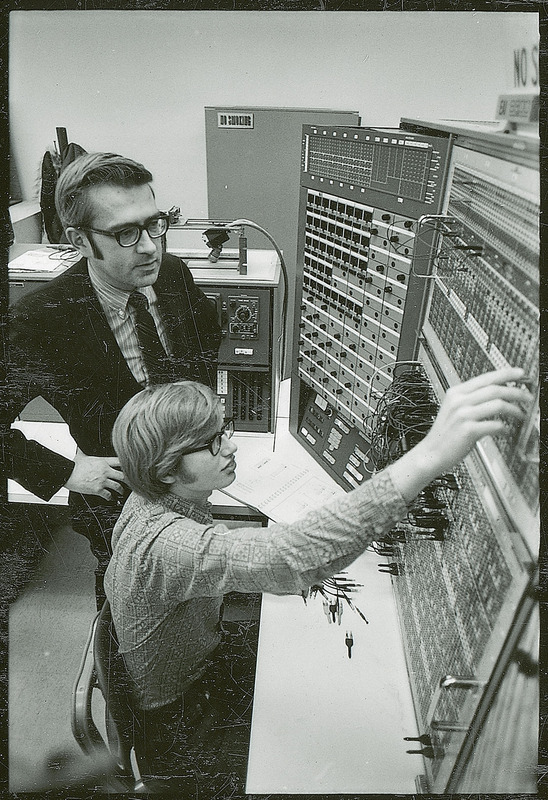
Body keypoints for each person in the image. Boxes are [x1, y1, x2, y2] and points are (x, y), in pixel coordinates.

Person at [104, 367, 529, 793]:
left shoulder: (150, 497)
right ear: (165, 470)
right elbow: (285, 557)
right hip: (183, 723)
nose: (231, 446)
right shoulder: (164, 544)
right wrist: (427, 457)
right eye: (213, 443)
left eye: (224, 429)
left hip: (196, 670)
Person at [7, 153, 221, 605]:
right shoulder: (41, 319)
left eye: (154, 224)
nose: (149, 246)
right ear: (80, 240)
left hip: (192, 488)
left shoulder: (174, 276)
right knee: (133, 615)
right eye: (125, 233)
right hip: (118, 506)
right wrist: (67, 470)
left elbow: (207, 341)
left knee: (197, 604)